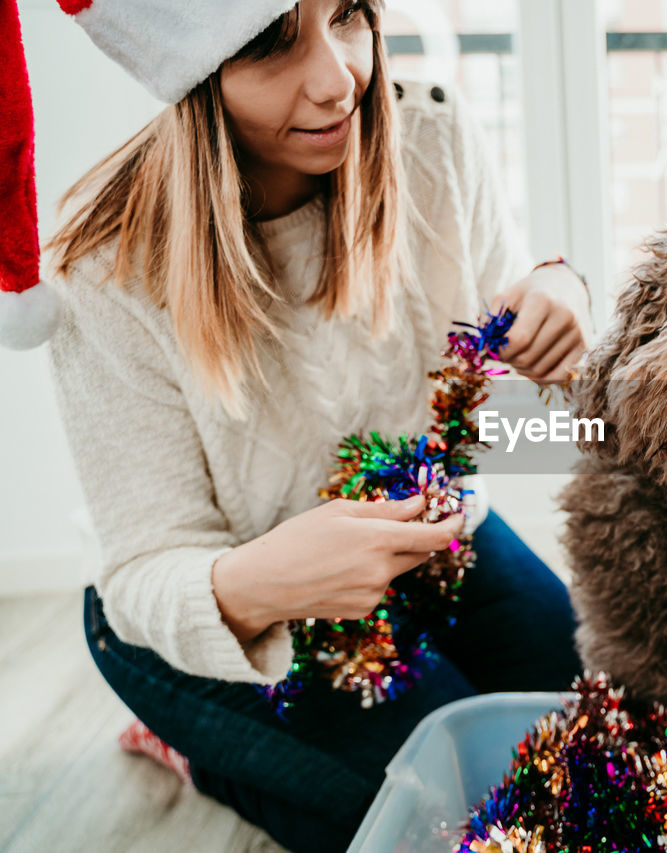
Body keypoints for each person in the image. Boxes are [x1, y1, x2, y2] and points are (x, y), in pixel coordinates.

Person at [22, 1, 587, 849]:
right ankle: (201, 752)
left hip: (428, 537)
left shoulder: (428, 133)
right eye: (267, 42)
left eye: (350, 13)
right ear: (193, 71)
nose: (338, 80)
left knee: (606, 739)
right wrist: (264, 582)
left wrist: (561, 294)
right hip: (211, 617)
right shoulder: (105, 269)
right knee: (462, 820)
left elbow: (494, 395)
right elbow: (145, 569)